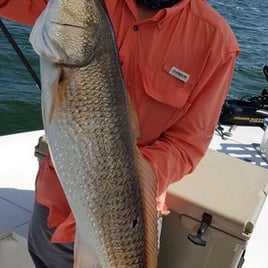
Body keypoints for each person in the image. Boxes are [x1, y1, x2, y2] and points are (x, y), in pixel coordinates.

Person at [0, 0, 240, 267]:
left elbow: (187, 144)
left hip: (129, 218)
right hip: (57, 200)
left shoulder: (216, 43)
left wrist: (124, 183)